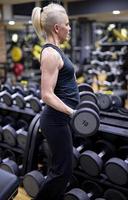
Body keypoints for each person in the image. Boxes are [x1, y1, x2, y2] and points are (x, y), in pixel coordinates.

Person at [31, 3, 80, 200]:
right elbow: (46, 94)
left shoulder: (56, 51)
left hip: (61, 119)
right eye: (67, 24)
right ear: (57, 28)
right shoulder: (50, 54)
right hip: (55, 121)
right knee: (62, 171)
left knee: (61, 168)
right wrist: (73, 112)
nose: (69, 28)